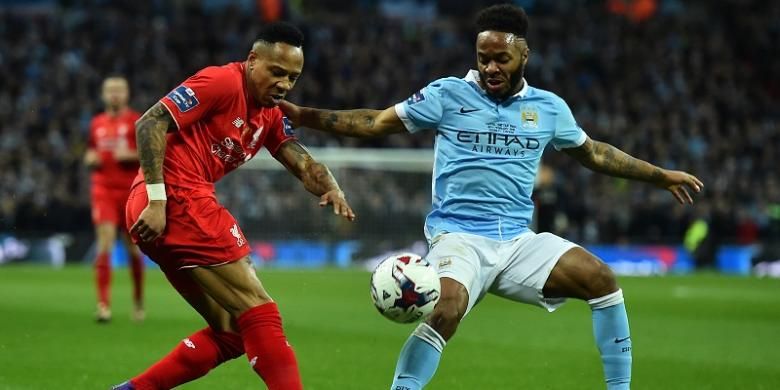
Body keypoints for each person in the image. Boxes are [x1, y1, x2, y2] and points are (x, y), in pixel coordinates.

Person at [279, 4, 703, 389]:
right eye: (484, 58)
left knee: (602, 280)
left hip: (518, 241)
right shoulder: (447, 94)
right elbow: (374, 122)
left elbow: (593, 153)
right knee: (446, 311)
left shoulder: (548, 107)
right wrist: (305, 116)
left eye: (502, 58)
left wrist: (660, 175)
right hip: (458, 236)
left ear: (524, 57)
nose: (491, 67)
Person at [113, 22, 355, 390]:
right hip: (174, 198)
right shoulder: (222, 82)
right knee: (260, 311)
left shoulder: (269, 114)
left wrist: (331, 186)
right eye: (277, 72)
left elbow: (302, 163)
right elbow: (151, 122)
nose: (285, 85)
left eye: (293, 77)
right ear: (252, 60)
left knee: (232, 332)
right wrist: (159, 199)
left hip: (167, 207)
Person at [84, 76, 145, 323]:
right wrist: (90, 158)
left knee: (132, 248)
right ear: (103, 94)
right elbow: (90, 149)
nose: (115, 95)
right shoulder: (96, 123)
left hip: (130, 192)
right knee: (105, 244)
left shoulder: (136, 121)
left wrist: (130, 154)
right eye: (110, 91)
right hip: (103, 190)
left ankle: (138, 301)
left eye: (119, 90)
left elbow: (150, 152)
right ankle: (103, 305)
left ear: (127, 94)